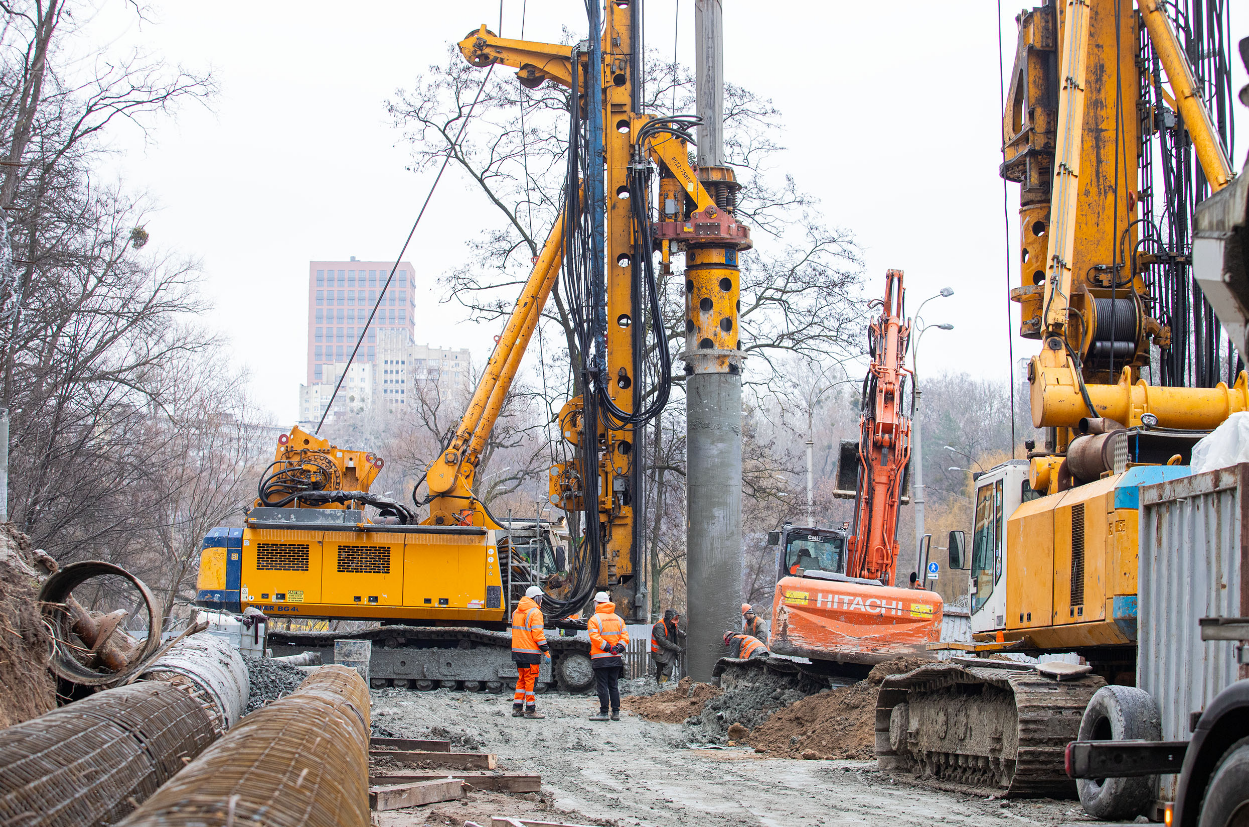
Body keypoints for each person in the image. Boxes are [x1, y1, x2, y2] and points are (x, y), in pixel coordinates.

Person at [587, 591, 630, 721]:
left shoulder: (594, 619)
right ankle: (616, 712)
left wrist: (608, 648)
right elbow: (625, 638)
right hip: (615, 658)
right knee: (613, 685)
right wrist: (618, 648)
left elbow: (595, 638)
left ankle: (604, 712)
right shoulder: (619, 619)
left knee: (602, 685)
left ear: (596, 603)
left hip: (600, 658)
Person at [510, 585, 549, 719]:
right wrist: (546, 650)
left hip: (517, 652)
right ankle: (530, 710)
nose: (542, 600)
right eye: (541, 598)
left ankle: (517, 708)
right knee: (531, 682)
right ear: (536, 598)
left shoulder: (516, 612)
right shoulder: (535, 613)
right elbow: (538, 635)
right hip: (530, 654)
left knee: (521, 680)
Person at [650, 609, 683, 684]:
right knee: (661, 669)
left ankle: (662, 683)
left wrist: (685, 635)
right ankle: (661, 683)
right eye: (673, 619)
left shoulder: (672, 625)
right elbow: (663, 642)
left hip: (667, 651)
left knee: (668, 667)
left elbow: (677, 632)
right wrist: (677, 648)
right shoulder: (659, 627)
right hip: (659, 652)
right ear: (669, 619)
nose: (674, 622)